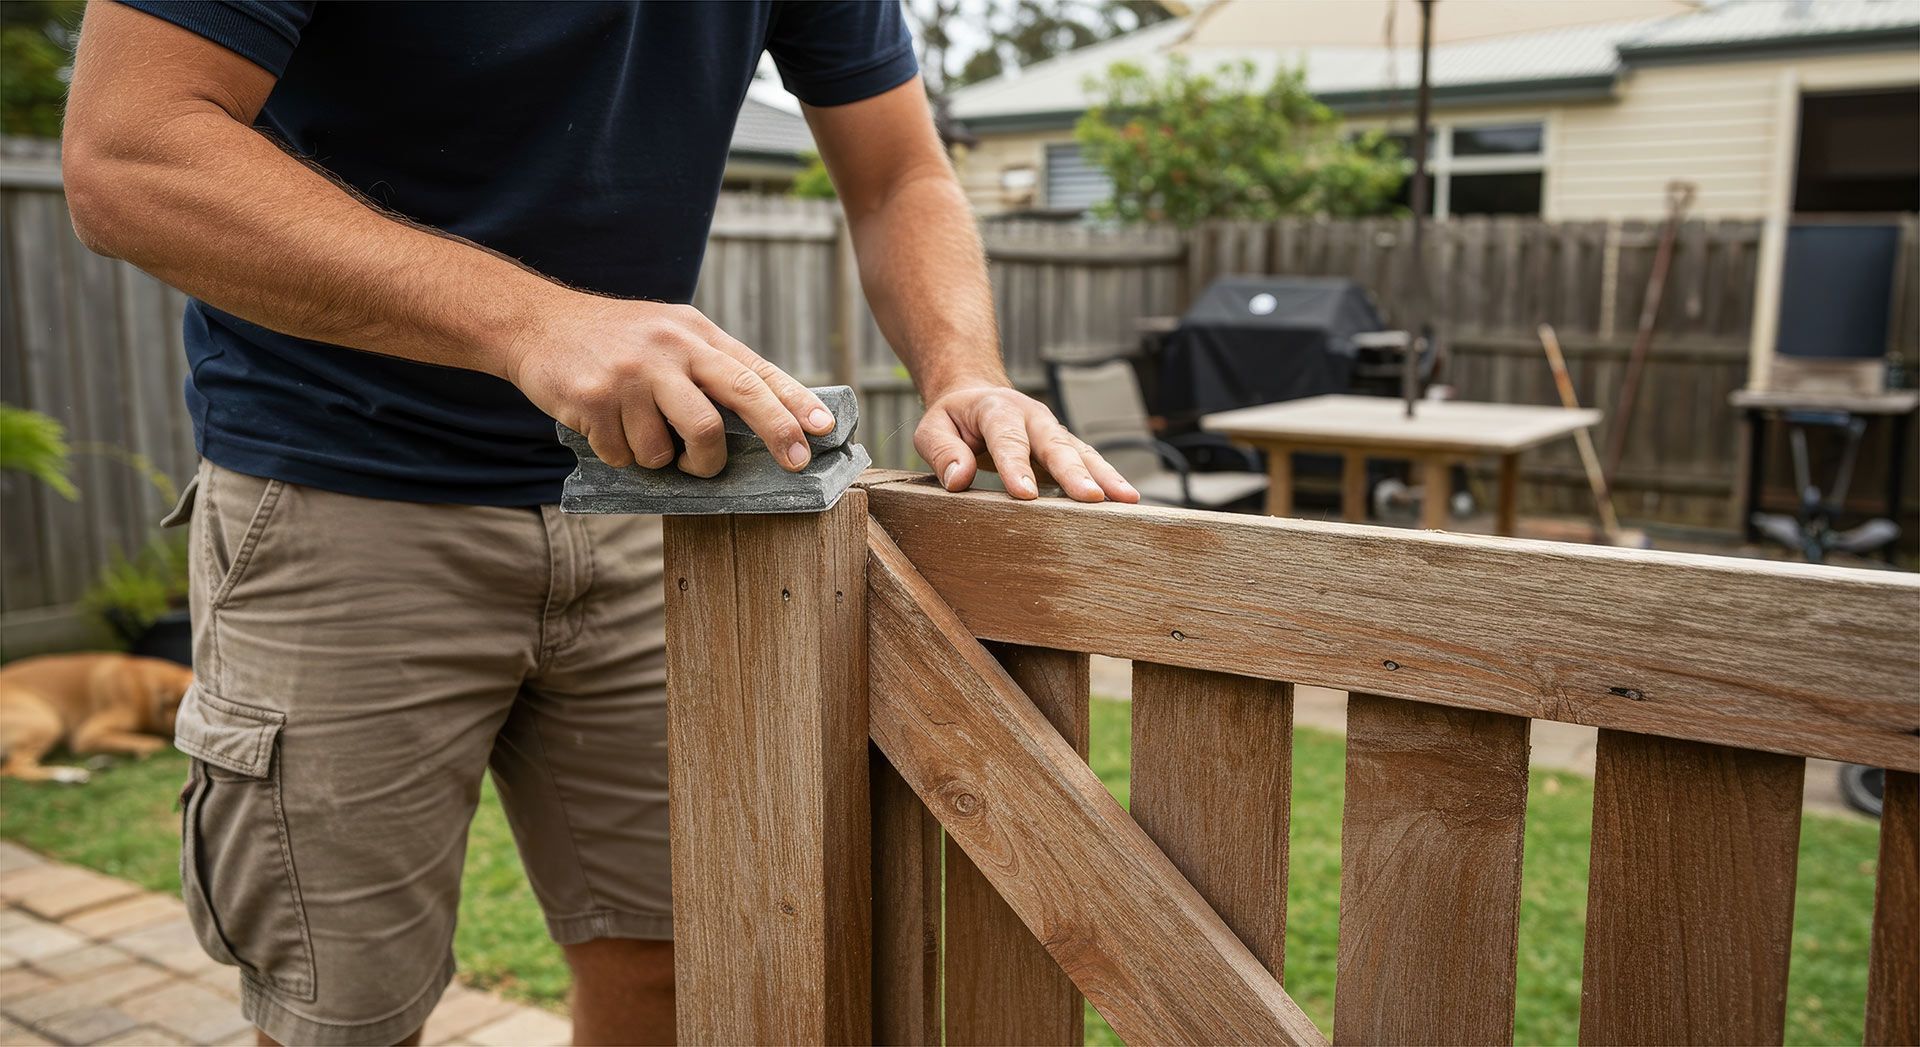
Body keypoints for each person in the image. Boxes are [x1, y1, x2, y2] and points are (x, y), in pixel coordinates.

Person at [61, 4, 1138, 1045]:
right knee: (339, 1012)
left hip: (655, 514)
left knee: (678, 958)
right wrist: (534, 320)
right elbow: (131, 155)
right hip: (344, 500)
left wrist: (965, 371)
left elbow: (902, 171)